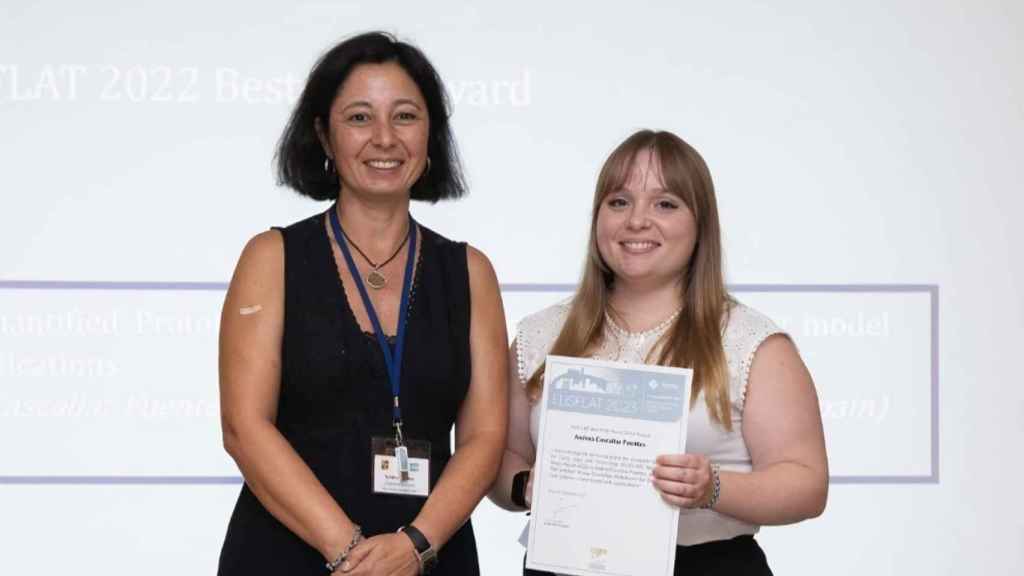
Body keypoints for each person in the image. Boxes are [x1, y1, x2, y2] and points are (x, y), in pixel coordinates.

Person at [217, 32, 508, 575]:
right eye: (358, 118)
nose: (384, 138)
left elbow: (485, 437)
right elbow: (244, 427)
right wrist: (352, 554)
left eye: (405, 117)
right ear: (324, 136)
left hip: (430, 555)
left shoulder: (470, 272)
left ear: (431, 135)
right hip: (289, 555)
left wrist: (414, 546)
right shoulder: (271, 257)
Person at [490, 130, 828, 575]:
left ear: (700, 223)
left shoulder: (752, 343)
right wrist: (526, 488)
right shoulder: (542, 334)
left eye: (665, 204)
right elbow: (500, 459)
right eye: (619, 202)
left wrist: (713, 488)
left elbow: (806, 483)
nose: (636, 221)